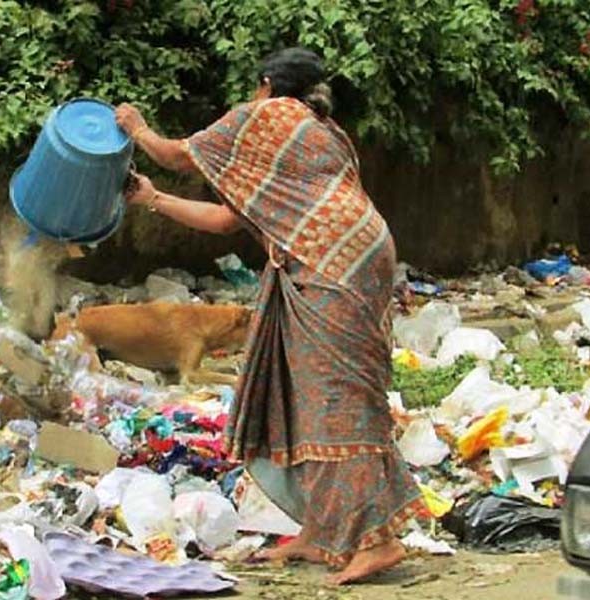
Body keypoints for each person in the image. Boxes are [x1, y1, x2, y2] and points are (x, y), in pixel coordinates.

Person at [115, 47, 425, 585]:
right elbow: (223, 218)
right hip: (354, 254)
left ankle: (378, 541)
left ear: (265, 85)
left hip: (331, 266)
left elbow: (174, 154)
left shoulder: (265, 116)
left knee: (334, 398)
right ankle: (322, 531)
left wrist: (136, 128)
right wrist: (153, 199)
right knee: (303, 393)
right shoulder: (322, 131)